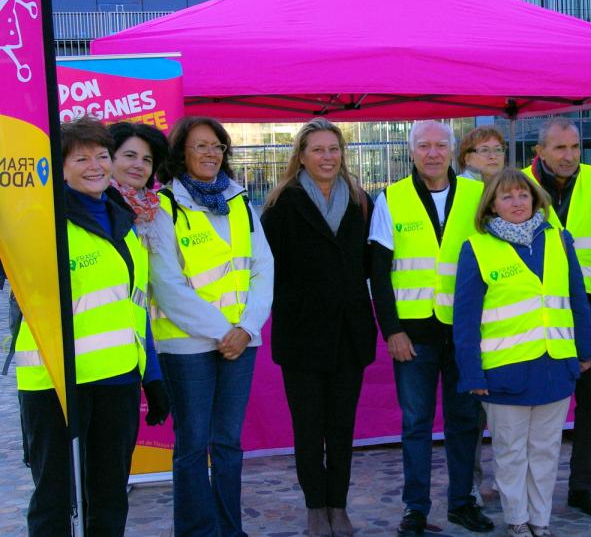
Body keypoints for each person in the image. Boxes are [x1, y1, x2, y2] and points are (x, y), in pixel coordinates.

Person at [15, 116, 165, 535]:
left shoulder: (121, 221)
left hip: (116, 380)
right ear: (59, 167)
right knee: (55, 498)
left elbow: (135, 307)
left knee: (109, 494)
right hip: (56, 384)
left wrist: (151, 376)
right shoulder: (40, 223)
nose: (96, 165)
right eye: (81, 158)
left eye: (102, 155)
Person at [454, 168, 591, 537]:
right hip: (503, 373)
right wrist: (471, 373)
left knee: (546, 453)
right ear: (491, 205)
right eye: (506, 197)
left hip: (556, 367)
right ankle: (517, 519)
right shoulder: (477, 248)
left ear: (535, 198)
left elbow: (578, 298)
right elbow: (465, 319)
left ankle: (541, 520)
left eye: (523, 195)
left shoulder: (559, 240)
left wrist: (586, 348)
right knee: (511, 453)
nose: (516, 203)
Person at [148, 116, 274, 537]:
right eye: (200, 146)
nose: (210, 154)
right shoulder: (164, 206)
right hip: (188, 346)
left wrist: (246, 327)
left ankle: (229, 528)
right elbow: (166, 282)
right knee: (192, 445)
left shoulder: (240, 202)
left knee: (228, 444)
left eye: (217, 147)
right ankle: (196, 530)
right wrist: (225, 331)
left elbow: (263, 269)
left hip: (241, 340)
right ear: (181, 152)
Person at [368, 120, 493, 536]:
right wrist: (392, 330)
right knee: (416, 424)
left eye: (441, 145)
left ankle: (462, 502)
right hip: (414, 335)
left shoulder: (479, 195)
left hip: (465, 333)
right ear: (412, 151)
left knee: (465, 423)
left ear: (453, 151)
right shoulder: (392, 198)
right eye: (424, 146)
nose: (433, 153)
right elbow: (379, 272)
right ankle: (415, 508)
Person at [261, 118, 376, 537]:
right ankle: (315, 506)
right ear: (302, 157)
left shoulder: (362, 202)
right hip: (302, 335)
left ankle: (338, 505)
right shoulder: (281, 205)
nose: (327, 157)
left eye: (334, 149)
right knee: (308, 428)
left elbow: (371, 266)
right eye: (318, 150)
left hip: (349, 334)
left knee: (341, 427)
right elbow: (266, 270)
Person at [521, 117, 591, 517]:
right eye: (559, 148)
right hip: (537, 307)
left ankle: (583, 487)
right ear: (539, 151)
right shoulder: (516, 184)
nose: (569, 156)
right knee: (534, 404)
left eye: (574, 148)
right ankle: (527, 489)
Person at [455, 125, 507, 505]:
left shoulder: (513, 190)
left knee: (503, 415)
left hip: (508, 317)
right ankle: (470, 486)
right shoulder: (463, 194)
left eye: (497, 149)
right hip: (472, 314)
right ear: (466, 158)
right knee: (471, 414)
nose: (492, 156)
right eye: (482, 150)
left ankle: (504, 485)